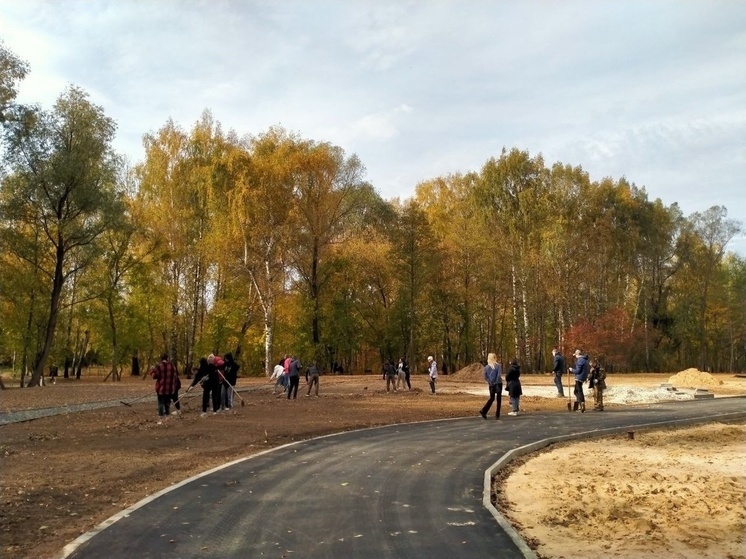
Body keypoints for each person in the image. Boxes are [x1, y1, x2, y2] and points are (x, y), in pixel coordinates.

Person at [151, 353, 179, 422]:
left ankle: (161, 418)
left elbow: (154, 377)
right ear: (167, 358)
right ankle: (167, 417)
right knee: (167, 403)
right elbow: (175, 377)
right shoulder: (172, 366)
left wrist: (152, 371)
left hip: (161, 388)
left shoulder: (159, 366)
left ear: (161, 358)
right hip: (169, 389)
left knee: (161, 403)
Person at [479, 353, 503, 420]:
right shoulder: (498, 366)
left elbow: (485, 377)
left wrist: (490, 382)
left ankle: (484, 410)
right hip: (498, 383)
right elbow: (498, 375)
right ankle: (497, 414)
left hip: (491, 384)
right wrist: (496, 382)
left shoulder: (486, 367)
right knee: (498, 399)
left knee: (491, 398)